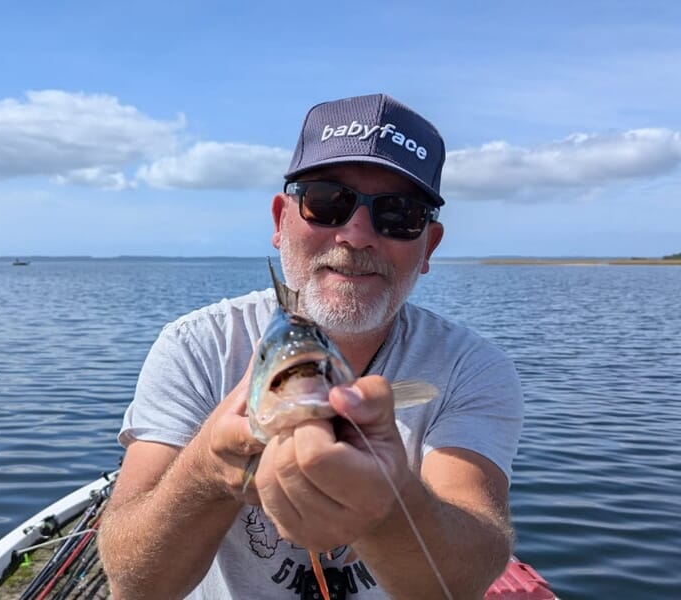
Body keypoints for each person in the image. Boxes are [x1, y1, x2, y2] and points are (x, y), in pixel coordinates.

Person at [98, 93, 524, 599]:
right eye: (327, 202)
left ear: (428, 245)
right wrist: (209, 469)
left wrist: (390, 506)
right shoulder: (194, 345)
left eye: (399, 214)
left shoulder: (471, 369)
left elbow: (466, 577)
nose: (356, 234)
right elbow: (133, 583)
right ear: (281, 220)